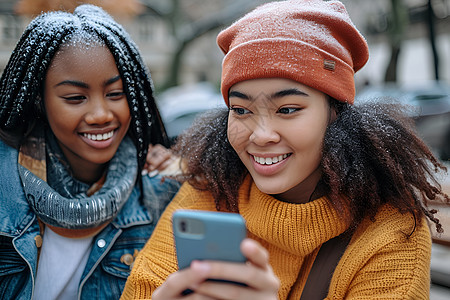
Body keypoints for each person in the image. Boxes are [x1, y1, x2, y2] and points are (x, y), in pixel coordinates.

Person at [121, 0, 450, 299]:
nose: (261, 135)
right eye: (241, 110)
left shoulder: (391, 231)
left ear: (335, 113)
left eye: (288, 109)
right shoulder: (210, 193)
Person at [0, 4, 181, 300]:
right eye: (75, 98)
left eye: (115, 94)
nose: (100, 114)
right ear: (38, 100)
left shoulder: (159, 190)